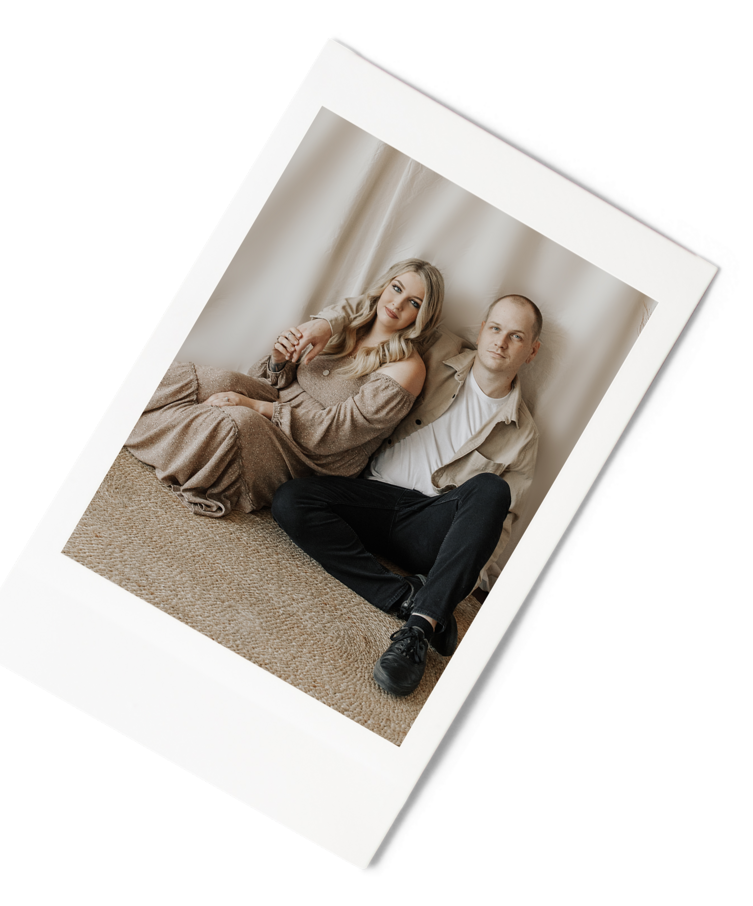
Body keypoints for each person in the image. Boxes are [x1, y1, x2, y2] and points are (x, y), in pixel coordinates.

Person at [271, 293, 542, 696]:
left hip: (428, 528)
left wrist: (453, 586)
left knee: (492, 489)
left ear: (531, 351)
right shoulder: (438, 350)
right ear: (482, 328)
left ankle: (418, 631)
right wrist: (323, 325)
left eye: (516, 337)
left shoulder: (523, 435)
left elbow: (499, 529)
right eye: (496, 328)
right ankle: (406, 597)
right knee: (292, 500)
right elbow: (380, 305)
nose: (500, 342)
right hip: (371, 495)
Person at [124, 259, 445, 519]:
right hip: (278, 404)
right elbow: (276, 384)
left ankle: (156, 429)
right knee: (207, 378)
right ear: (385, 285)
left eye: (413, 302)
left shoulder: (406, 369)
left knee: (237, 421)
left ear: (423, 316)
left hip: (316, 455)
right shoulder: (345, 326)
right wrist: (279, 359)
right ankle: (126, 409)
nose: (397, 303)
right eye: (396, 288)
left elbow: (337, 432)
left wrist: (253, 406)